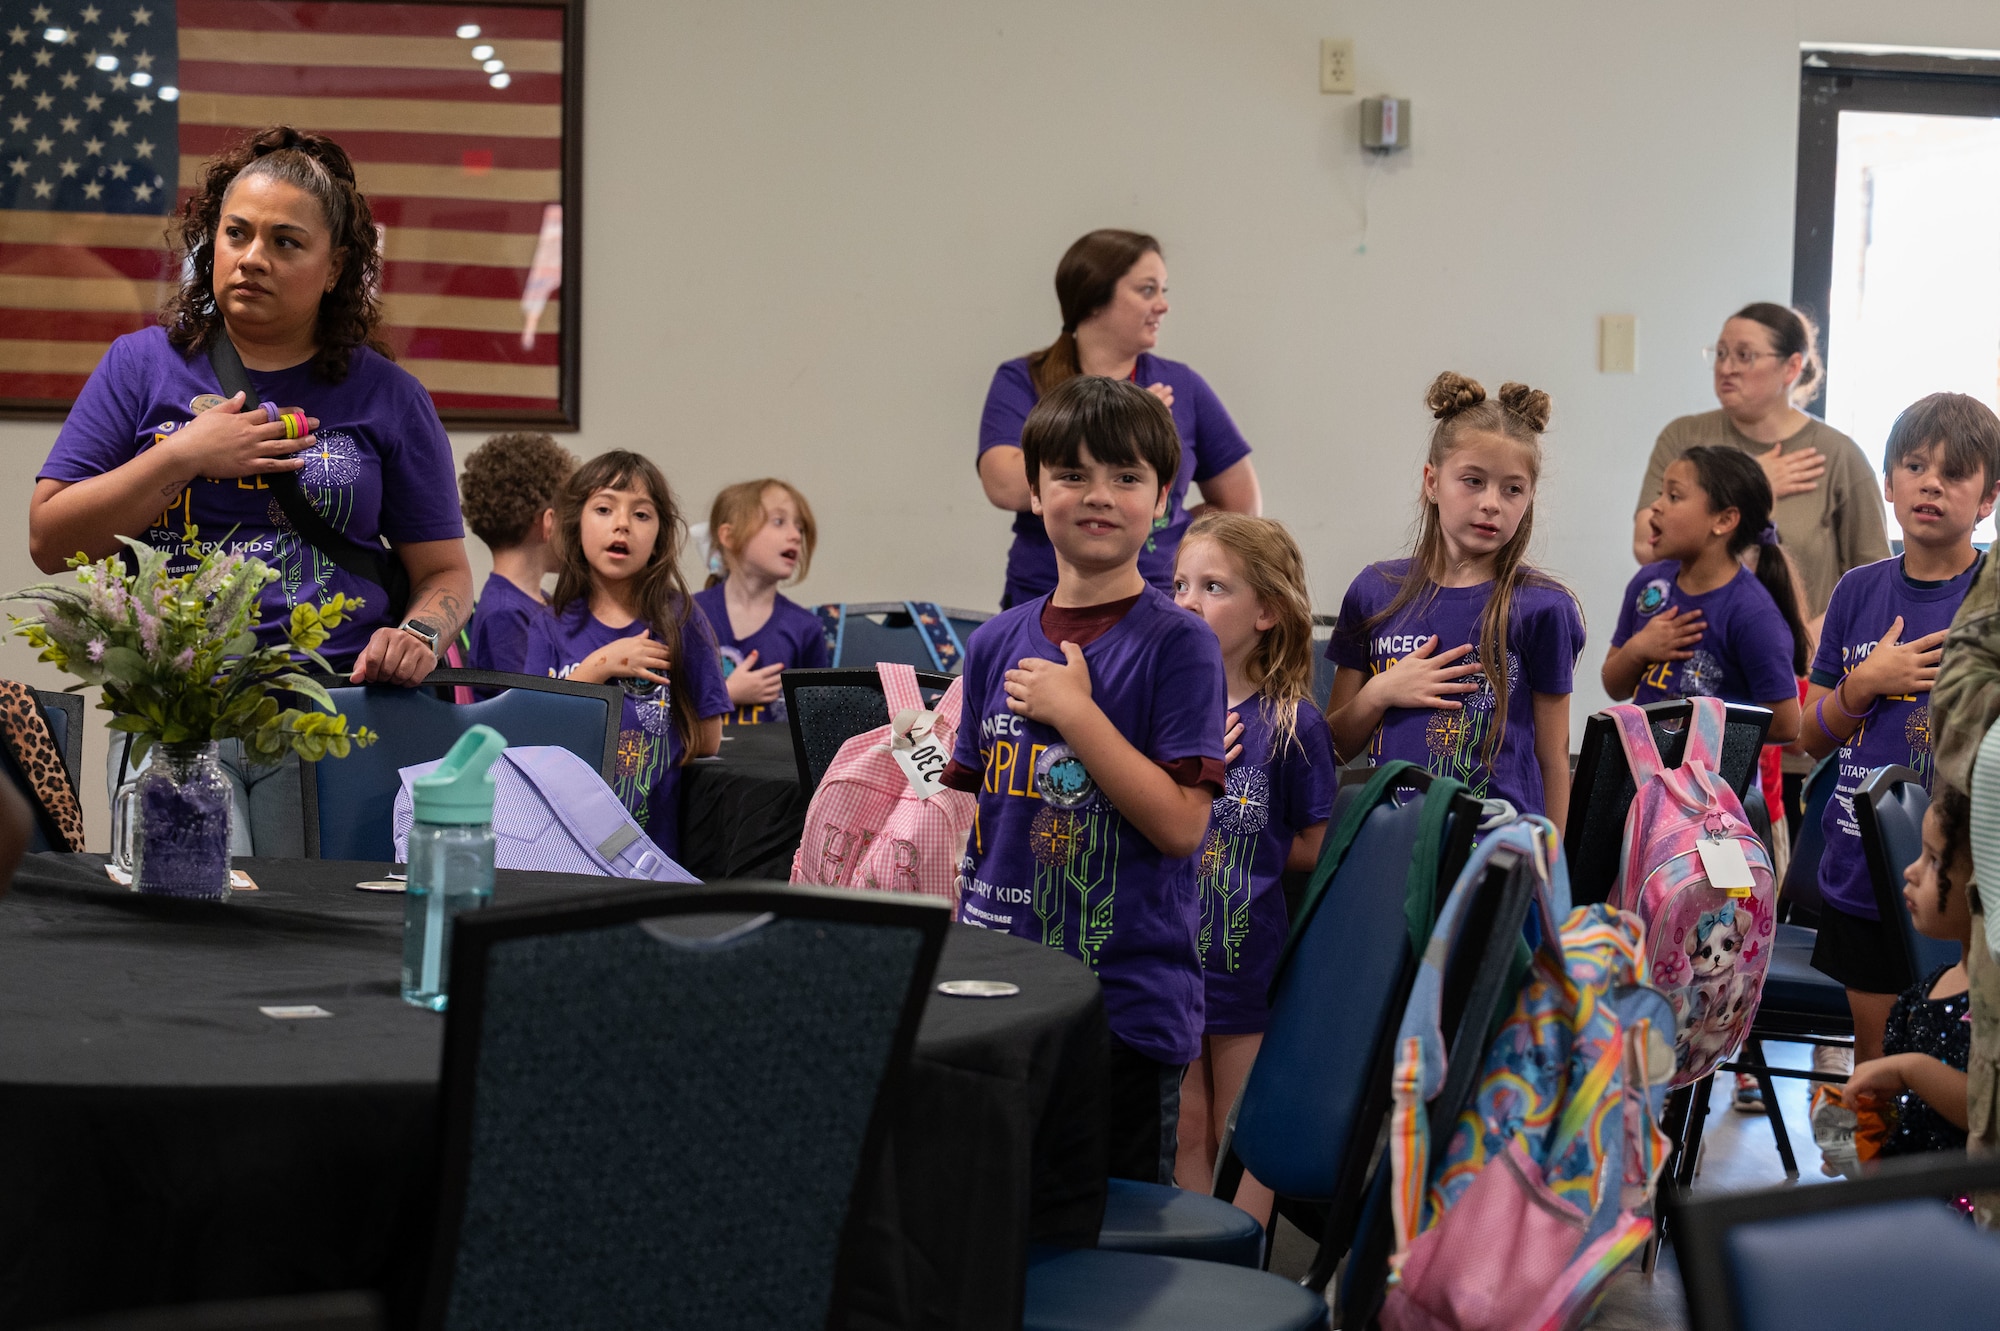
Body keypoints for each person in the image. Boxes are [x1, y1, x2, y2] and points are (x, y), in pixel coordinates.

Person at [29, 125, 472, 855]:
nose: (252, 259)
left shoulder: (391, 396)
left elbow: (445, 572)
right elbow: (50, 539)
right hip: (175, 712)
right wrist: (184, 456)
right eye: (236, 234)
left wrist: (421, 633)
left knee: (325, 936)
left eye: (286, 242)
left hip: (339, 711)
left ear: (335, 269)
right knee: (188, 937)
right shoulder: (141, 366)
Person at [943, 375, 1227, 1184]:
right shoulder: (994, 643)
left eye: (1127, 476)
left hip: (1122, 1012)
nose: (1099, 495)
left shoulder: (1182, 644)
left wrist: (1078, 714)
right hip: (999, 997)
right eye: (1072, 474)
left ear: (1164, 498)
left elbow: (1179, 826)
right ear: (1034, 492)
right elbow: (987, 822)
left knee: (1110, 1256)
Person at [1798, 395, 1998, 1077]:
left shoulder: (1990, 596)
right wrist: (1865, 683)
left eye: (1956, 472)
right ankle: (1873, 1181)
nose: (1931, 483)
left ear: (1990, 498)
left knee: (1961, 1066)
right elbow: (1809, 736)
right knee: (1878, 1065)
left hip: (1968, 877)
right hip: (1863, 872)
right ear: (1888, 483)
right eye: (1914, 466)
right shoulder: (1859, 590)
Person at [1170, 512, 1335, 1219]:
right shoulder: (1161, 714)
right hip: (1167, 957)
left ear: (1266, 611)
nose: (1186, 600)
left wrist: (1245, 841)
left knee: (1247, 1129)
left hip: (1242, 960)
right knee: (1186, 1124)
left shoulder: (1293, 723)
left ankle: (1240, 1261)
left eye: (1212, 586)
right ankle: (1191, 1264)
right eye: (1179, 583)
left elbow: (1314, 845)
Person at [1326, 373, 1584, 824]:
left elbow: (1553, 759)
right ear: (1431, 482)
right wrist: (1381, 692)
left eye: (1512, 489)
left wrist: (1550, 869)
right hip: (1389, 850)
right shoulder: (1374, 591)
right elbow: (1332, 746)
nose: (1491, 503)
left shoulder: (1545, 608)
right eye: (1473, 481)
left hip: (1497, 851)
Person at [977, 229, 1260, 608]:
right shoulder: (1022, 378)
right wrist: (1125, 421)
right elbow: (1004, 485)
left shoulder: (1182, 384)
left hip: (1157, 601)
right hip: (1044, 601)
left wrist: (1167, 523)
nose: (1162, 305)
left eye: (1163, 291)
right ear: (1094, 299)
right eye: (1147, 290)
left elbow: (1241, 505)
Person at [524, 451, 731, 862]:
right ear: (574, 523)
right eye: (604, 508)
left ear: (659, 536)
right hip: (560, 842)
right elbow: (533, 735)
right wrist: (600, 666)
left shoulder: (681, 619)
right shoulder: (548, 624)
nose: (622, 524)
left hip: (651, 848)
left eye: (641, 514)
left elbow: (708, 739)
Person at [1632, 303, 1889, 623]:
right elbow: (1646, 546)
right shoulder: (1684, 437)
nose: (1726, 368)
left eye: (1744, 355)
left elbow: (1875, 584)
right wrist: (1751, 484)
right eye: (1721, 353)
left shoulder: (1839, 454)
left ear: (1792, 367)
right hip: (1697, 651)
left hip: (1807, 658)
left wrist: (1806, 646)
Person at [1605, 446, 1807, 746]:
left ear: (1724, 521)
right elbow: (1614, 686)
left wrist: (1700, 726)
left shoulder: (1752, 614)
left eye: (1673, 497)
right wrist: (1639, 649)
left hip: (1709, 788)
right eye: (1660, 493)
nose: (1656, 506)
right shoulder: (1649, 583)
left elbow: (1787, 725)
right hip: (1638, 778)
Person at [1844, 790, 1974, 1161]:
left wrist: (1909, 1069)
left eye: (1933, 861)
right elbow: (1908, 1118)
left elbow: (1984, 1110)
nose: (1910, 870)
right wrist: (1860, 1146)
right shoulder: (1926, 991)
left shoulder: (1989, 1004)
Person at [693, 479, 829, 725]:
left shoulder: (805, 628)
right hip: (701, 762)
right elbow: (663, 707)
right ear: (729, 536)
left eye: (799, 527)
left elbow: (818, 720)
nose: (795, 536)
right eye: (779, 522)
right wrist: (728, 693)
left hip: (776, 763)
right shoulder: (687, 615)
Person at [459, 432, 576, 675]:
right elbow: (531, 707)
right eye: (571, 520)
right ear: (549, 523)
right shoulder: (505, 614)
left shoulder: (537, 602)